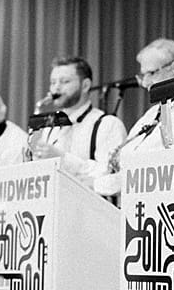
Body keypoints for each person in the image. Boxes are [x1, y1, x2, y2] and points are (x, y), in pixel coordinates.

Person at [93, 39, 174, 196]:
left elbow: (161, 167)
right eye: (143, 75)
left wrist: (101, 184)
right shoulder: (152, 113)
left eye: (150, 73)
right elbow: (125, 158)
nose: (145, 83)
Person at [28, 55, 127, 189]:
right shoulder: (49, 128)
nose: (56, 88)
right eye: (53, 82)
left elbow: (111, 173)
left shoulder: (108, 125)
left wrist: (63, 159)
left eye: (65, 81)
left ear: (85, 85)